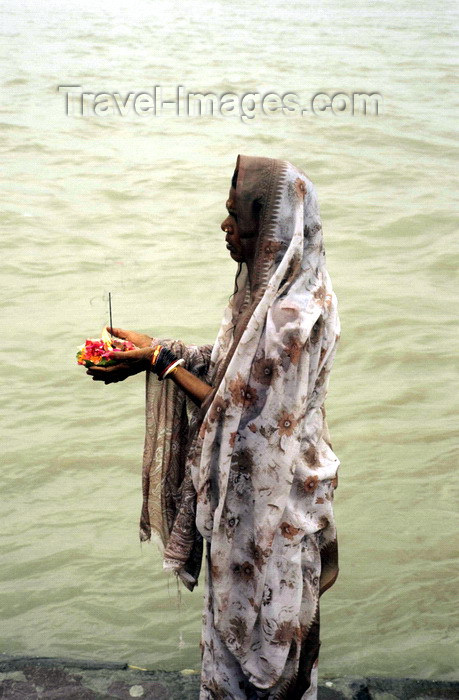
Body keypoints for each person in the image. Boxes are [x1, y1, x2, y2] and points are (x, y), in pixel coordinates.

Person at [87, 155, 341, 699]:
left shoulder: (295, 318)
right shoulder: (261, 297)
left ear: (268, 225)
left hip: (275, 516)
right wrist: (158, 353)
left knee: (267, 660)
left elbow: (246, 414)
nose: (225, 228)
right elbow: (231, 373)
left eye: (235, 217)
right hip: (241, 512)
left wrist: (161, 362)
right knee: (230, 647)